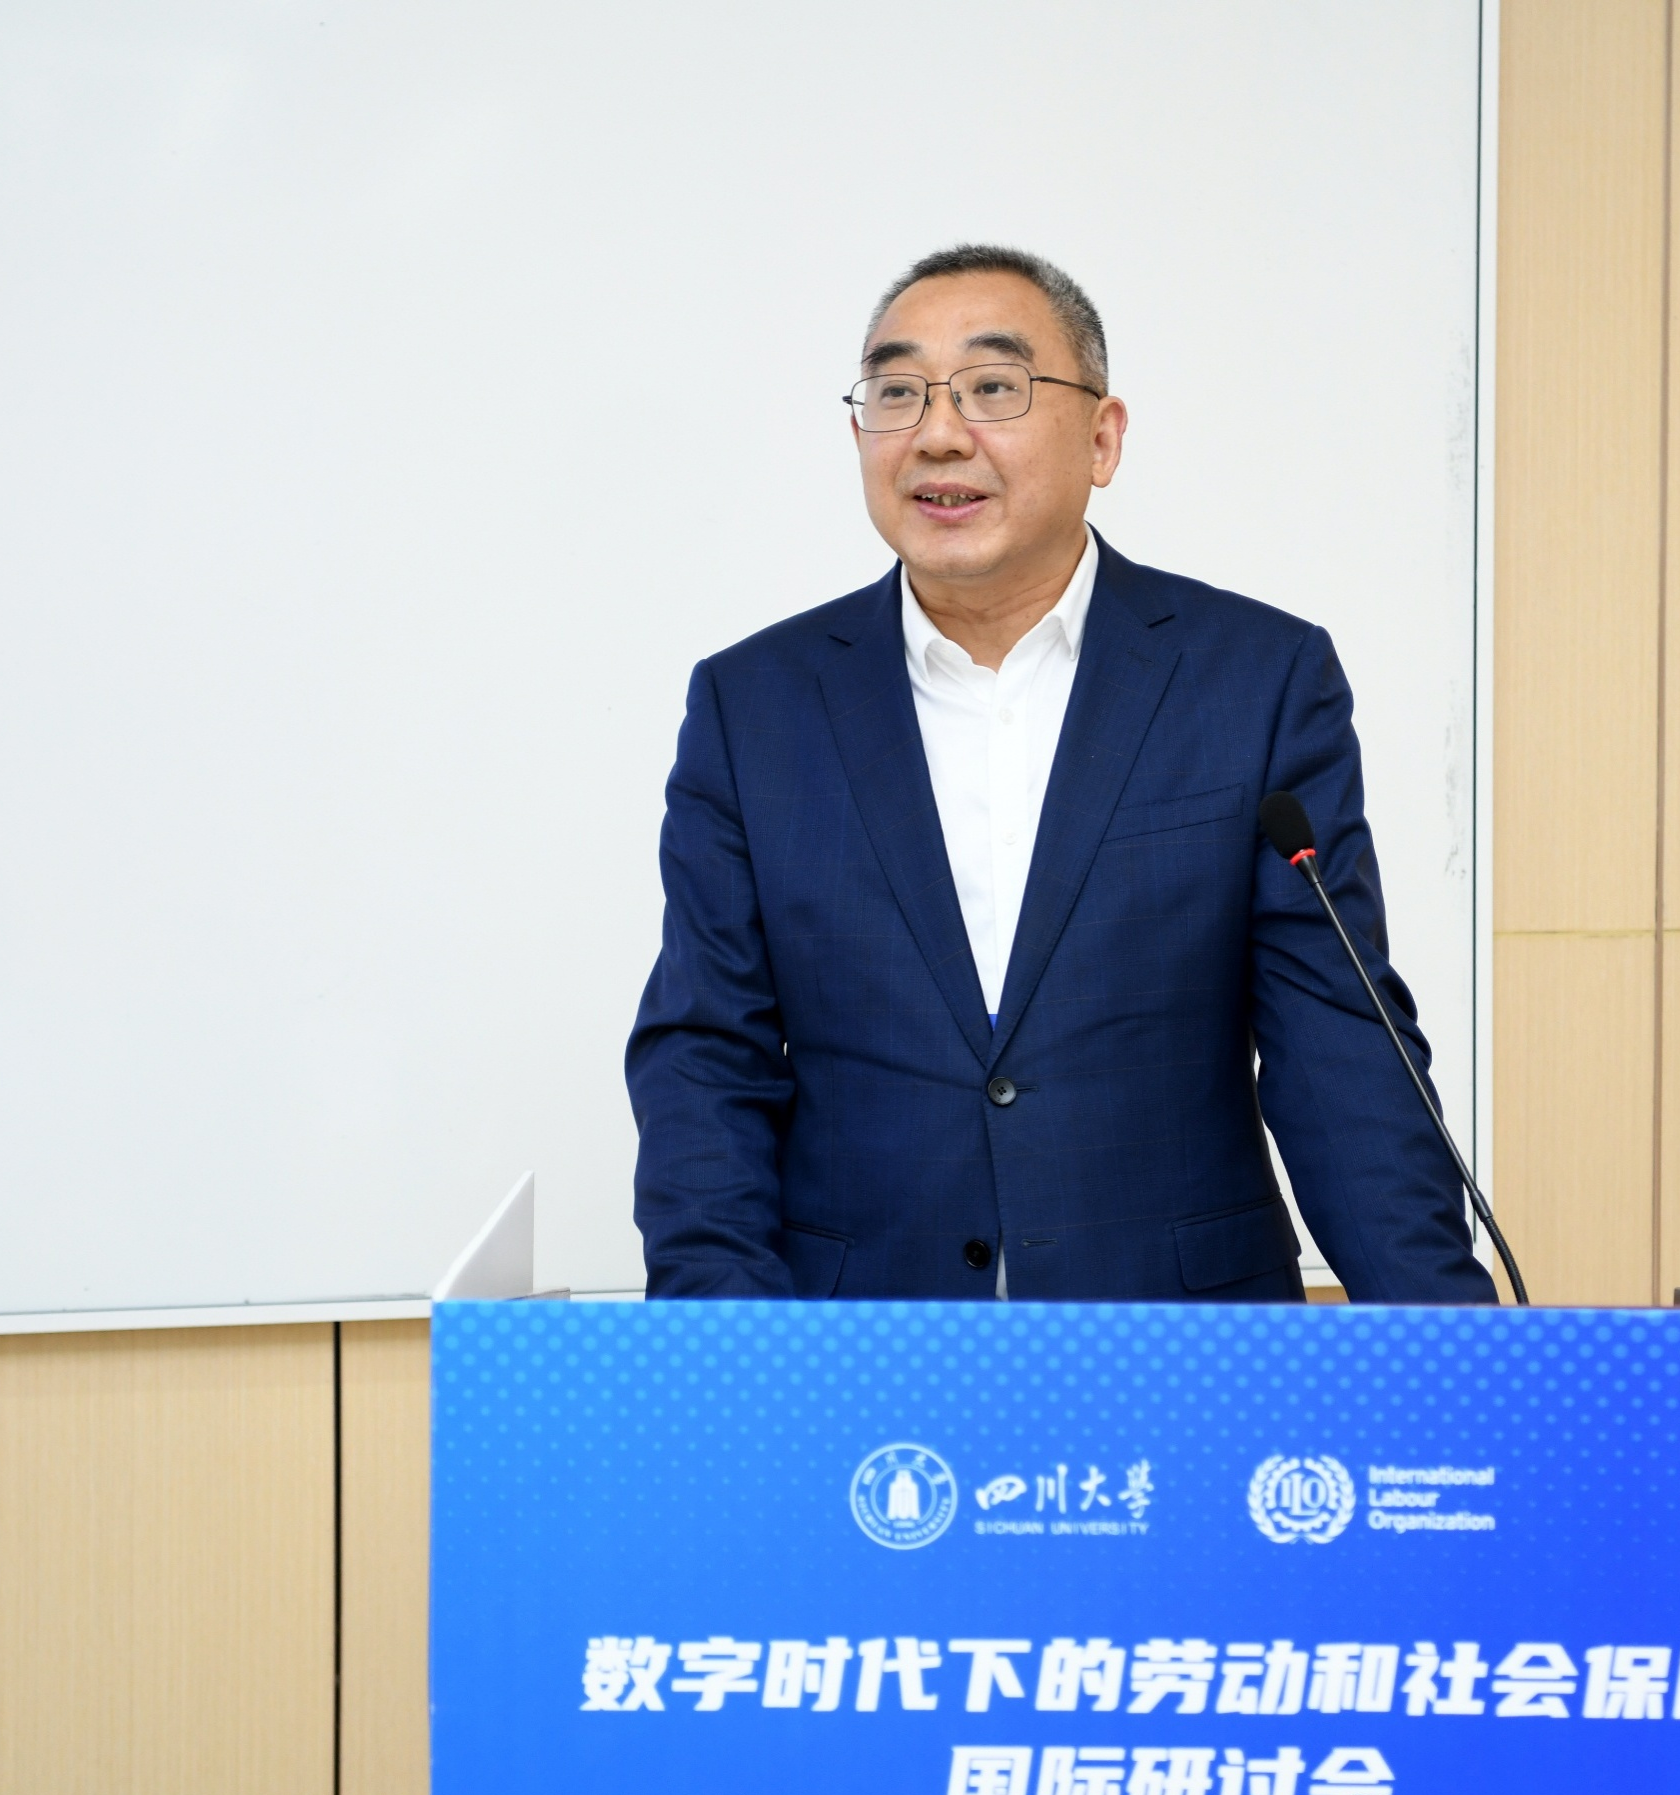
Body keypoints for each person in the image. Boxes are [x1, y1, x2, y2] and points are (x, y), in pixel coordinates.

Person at [625, 244, 1494, 1304]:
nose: (938, 433)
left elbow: (1335, 1048)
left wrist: (1451, 1348)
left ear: (1101, 438)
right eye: (896, 393)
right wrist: (724, 1352)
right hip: (864, 1349)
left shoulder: (1254, 680)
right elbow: (705, 1056)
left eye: (992, 387)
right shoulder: (754, 705)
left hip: (1174, 1342)